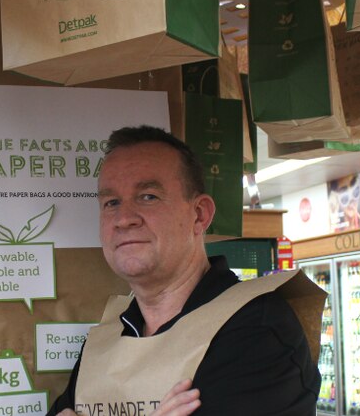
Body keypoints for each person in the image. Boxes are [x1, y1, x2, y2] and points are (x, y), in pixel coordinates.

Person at [48, 125, 320, 416]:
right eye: (111, 202)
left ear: (199, 215)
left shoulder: (256, 329)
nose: (123, 218)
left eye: (148, 196)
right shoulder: (107, 335)